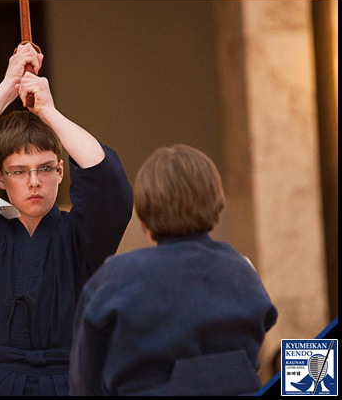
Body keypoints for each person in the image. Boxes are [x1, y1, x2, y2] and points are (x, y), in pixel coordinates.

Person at [0, 43, 133, 396]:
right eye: (19, 171)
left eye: (45, 168)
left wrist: (49, 112)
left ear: (60, 172)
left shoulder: (80, 237)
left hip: (74, 380)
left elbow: (101, 171)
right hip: (9, 383)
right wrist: (9, 85)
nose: (33, 182)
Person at [69, 144, 278, 396]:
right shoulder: (241, 269)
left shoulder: (115, 278)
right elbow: (262, 327)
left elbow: (85, 378)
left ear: (144, 215)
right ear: (216, 203)